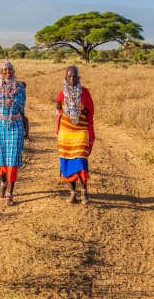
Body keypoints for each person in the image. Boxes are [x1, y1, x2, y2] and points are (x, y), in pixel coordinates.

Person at [0, 59, 27, 205]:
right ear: (1, 73)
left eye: (10, 70)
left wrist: (26, 128)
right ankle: (3, 182)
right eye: (4, 70)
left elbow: (23, 109)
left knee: (13, 160)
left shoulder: (20, 88)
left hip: (15, 126)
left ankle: (10, 193)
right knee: (0, 158)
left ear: (13, 71)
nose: (7, 72)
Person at [55, 65, 95, 204]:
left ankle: (84, 192)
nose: (72, 78)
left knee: (81, 162)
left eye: (74, 76)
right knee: (66, 162)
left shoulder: (85, 93)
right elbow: (58, 112)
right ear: (66, 77)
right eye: (69, 76)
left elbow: (91, 112)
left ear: (78, 77)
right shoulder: (61, 94)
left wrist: (82, 113)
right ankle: (72, 193)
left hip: (81, 131)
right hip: (65, 133)